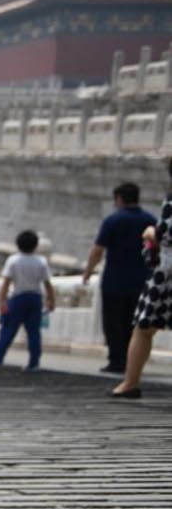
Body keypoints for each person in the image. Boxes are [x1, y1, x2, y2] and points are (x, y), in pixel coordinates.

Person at [111, 158, 172, 399]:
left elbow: (166, 232)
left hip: (166, 274)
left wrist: (150, 232)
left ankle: (130, 382)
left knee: (143, 327)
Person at [82, 182, 158, 373]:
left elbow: (98, 250)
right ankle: (133, 362)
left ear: (119, 199)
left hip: (115, 280)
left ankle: (117, 360)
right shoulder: (150, 220)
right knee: (134, 324)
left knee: (113, 322)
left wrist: (88, 271)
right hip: (142, 280)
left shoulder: (112, 221)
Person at [0, 230, 56, 371]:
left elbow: (6, 282)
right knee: (33, 332)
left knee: (8, 330)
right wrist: (51, 300)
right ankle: (33, 363)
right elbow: (47, 283)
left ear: (17, 244)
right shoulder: (41, 261)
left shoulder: (13, 260)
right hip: (35, 298)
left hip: (18, 297)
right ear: (36, 245)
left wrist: (2, 301)